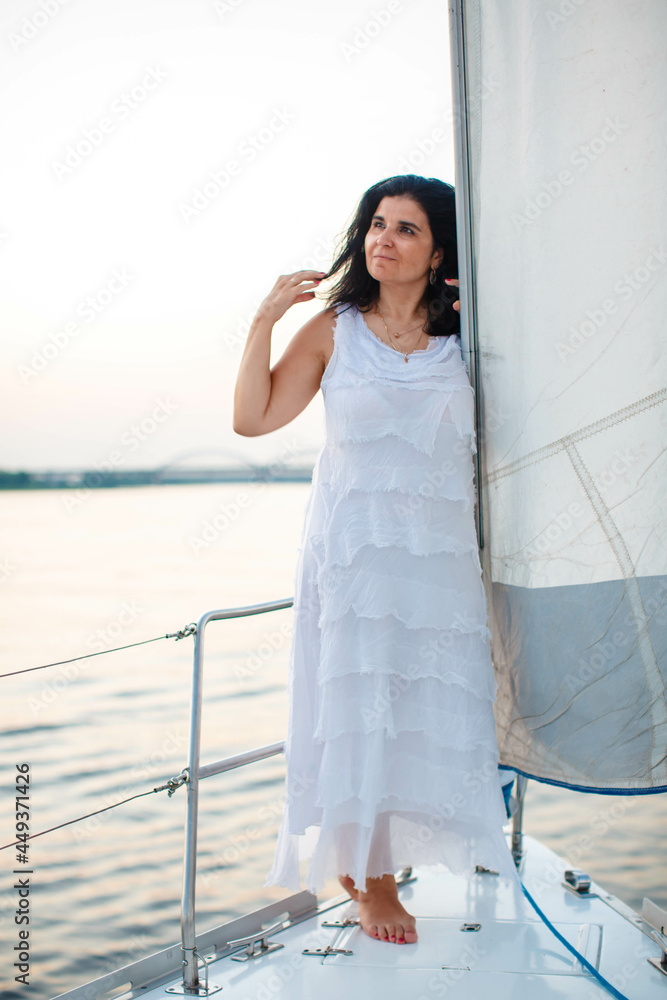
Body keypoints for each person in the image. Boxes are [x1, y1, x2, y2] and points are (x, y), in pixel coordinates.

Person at [233, 174, 516, 947]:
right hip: (353, 560)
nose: (382, 241)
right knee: (361, 715)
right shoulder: (335, 328)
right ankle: (373, 879)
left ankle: (384, 858)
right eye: (376, 225)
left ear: (439, 252)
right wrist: (264, 318)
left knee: (425, 711)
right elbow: (252, 418)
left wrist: (491, 297)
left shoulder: (472, 331)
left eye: (406, 230)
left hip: (438, 561)